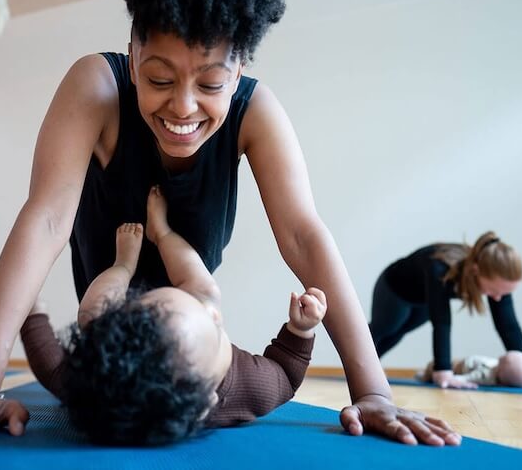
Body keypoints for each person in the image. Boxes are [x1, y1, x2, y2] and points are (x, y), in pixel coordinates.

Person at [0, 0, 459, 448]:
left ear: (237, 73)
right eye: (159, 78)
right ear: (133, 56)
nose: (182, 107)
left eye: (210, 83)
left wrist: (373, 391)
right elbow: (47, 218)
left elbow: (304, 237)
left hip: (191, 324)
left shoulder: (255, 110)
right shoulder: (97, 86)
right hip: (107, 317)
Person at [20, 186, 325, 445]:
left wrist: (30, 312)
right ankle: (162, 232)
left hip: (112, 334)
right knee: (206, 290)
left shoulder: (93, 390)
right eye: (214, 325)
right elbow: (286, 376)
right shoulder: (252, 388)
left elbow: (51, 366)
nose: (213, 312)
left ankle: (123, 265)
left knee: (93, 316)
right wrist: (300, 330)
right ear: (207, 402)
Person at [368, 232, 522, 389]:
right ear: (475, 271)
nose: (498, 298)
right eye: (495, 291)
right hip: (395, 287)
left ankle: (369, 368)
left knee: (398, 333)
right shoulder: (440, 267)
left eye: (504, 293)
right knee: (386, 328)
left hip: (424, 298)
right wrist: (443, 370)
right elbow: (442, 322)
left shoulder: (496, 284)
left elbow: (508, 325)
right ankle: (360, 365)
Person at [414, 352, 522, 389]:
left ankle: (424, 375)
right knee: (435, 367)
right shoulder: (499, 370)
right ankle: (425, 375)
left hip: (459, 365)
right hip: (461, 362)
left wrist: (458, 379)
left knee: (433, 366)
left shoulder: (486, 375)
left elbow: (468, 378)